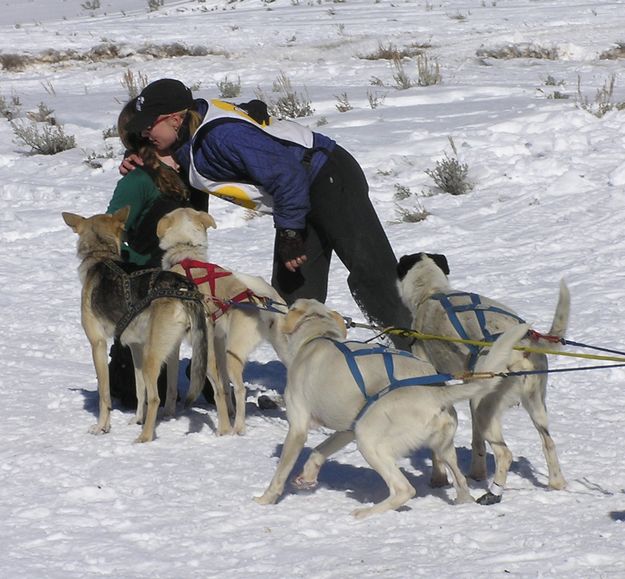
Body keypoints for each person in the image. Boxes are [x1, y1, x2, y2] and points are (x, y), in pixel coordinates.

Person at [120, 78, 412, 346]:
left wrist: (289, 232)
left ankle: (419, 352)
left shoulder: (221, 138)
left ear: (174, 119)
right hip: (299, 196)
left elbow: (287, 173)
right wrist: (138, 156)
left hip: (330, 178)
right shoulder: (189, 135)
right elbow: (175, 158)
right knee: (292, 297)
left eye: (149, 126)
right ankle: (312, 371)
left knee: (373, 273)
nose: (145, 132)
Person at [107, 98, 211, 408]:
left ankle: (207, 377)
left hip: (185, 279)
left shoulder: (194, 169)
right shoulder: (139, 180)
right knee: (133, 392)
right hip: (143, 291)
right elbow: (113, 229)